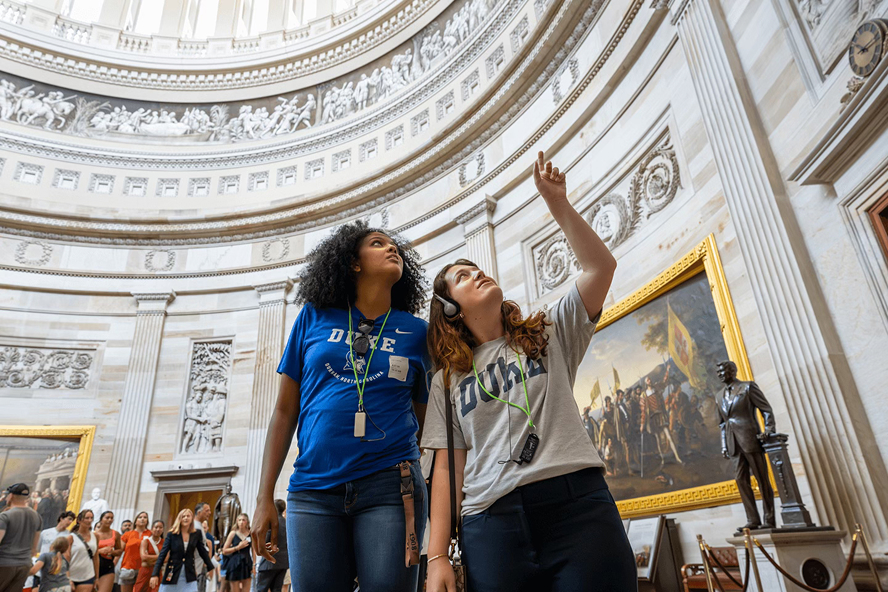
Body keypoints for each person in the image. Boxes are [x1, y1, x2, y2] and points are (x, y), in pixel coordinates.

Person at [422, 151, 637, 592]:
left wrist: (557, 202)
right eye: (463, 277)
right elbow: (447, 469)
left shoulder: (549, 332)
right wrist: (437, 555)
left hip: (577, 506)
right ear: (449, 310)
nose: (477, 274)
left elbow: (601, 268)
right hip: (490, 523)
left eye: (477, 268)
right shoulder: (446, 381)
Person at [250, 221, 431, 592]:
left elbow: (427, 421)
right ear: (353, 263)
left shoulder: (416, 332)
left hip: (390, 487)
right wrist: (264, 496)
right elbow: (285, 410)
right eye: (378, 244)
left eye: (394, 245)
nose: (391, 248)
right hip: (313, 490)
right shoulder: (313, 316)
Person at [149, 510, 214, 592]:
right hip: (173, 572)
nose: (185, 518)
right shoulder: (171, 534)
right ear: (179, 518)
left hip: (189, 573)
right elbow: (162, 554)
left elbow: (203, 552)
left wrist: (210, 567)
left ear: (192, 519)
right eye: (183, 516)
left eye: (188, 516)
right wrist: (155, 574)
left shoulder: (196, 534)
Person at [0, 483, 42, 592]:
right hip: (24, 564)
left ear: (11, 496)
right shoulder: (36, 516)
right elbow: (34, 548)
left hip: (4, 563)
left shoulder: (5, 516)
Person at [255, 501, 286, 592]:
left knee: (261, 589)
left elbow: (265, 542)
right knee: (277, 589)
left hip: (269, 562)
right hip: (283, 562)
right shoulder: (286, 522)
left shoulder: (272, 522)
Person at [67, 510, 99, 592]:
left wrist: (97, 577)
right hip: (71, 574)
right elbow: (66, 559)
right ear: (79, 520)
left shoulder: (95, 536)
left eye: (91, 518)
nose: (89, 520)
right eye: (87, 518)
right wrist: (67, 578)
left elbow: (96, 558)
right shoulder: (71, 537)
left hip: (88, 575)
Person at [221, 515, 253, 592]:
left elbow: (254, 550)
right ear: (237, 521)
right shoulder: (233, 533)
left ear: (247, 522)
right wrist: (237, 547)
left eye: (243, 520)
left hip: (246, 562)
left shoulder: (250, 533)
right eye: (239, 520)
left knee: (246, 589)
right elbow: (224, 550)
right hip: (234, 562)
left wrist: (254, 564)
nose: (241, 522)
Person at [120, 513, 150, 592]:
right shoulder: (127, 534)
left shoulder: (151, 534)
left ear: (147, 521)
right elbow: (119, 550)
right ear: (135, 521)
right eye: (140, 517)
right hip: (128, 567)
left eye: (145, 517)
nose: (142, 519)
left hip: (144, 568)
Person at [95, 511, 123, 592]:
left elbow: (120, 550)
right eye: (107, 518)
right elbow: (88, 552)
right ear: (101, 520)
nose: (110, 520)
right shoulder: (94, 534)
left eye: (111, 518)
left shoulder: (116, 534)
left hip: (108, 566)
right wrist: (100, 551)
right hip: (94, 566)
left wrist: (112, 552)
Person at [134, 521, 164, 592]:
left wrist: (149, 558)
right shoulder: (145, 541)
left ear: (163, 530)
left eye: (160, 527)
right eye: (156, 527)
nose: (158, 529)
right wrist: (160, 556)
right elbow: (143, 557)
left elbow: (166, 558)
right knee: (139, 589)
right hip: (145, 571)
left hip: (157, 571)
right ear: (151, 529)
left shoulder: (165, 542)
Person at [192, 504, 213, 592]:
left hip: (199, 567)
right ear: (199, 512)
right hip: (194, 567)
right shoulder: (195, 527)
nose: (210, 513)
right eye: (207, 510)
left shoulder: (199, 526)